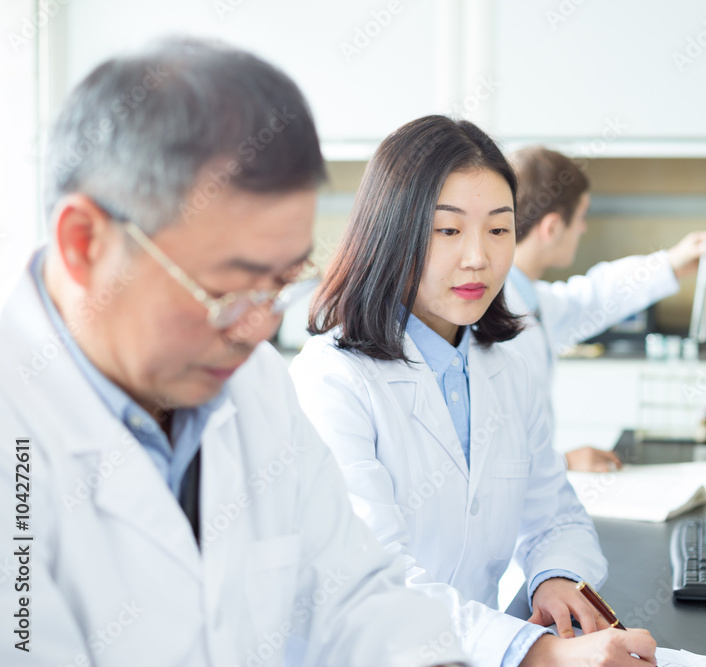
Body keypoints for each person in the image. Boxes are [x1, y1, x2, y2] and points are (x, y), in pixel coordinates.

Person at [0, 40, 468, 667]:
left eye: (279, 284)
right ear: (84, 243)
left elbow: (354, 597)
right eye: (225, 289)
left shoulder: (258, 388)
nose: (255, 330)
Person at [289, 115, 656, 667]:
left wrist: (555, 578)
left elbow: (555, 515)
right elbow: (373, 582)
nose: (478, 257)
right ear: (392, 232)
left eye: (499, 229)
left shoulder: (506, 366)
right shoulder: (332, 379)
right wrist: (543, 656)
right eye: (448, 230)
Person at [505, 146, 706, 472]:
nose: (583, 228)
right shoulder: (491, 313)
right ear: (551, 228)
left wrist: (669, 264)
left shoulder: (532, 299)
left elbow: (590, 299)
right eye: (581, 217)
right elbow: (490, 457)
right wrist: (565, 462)